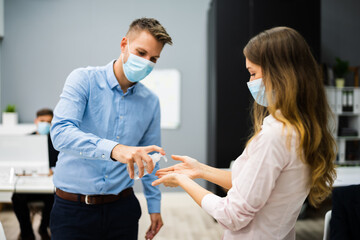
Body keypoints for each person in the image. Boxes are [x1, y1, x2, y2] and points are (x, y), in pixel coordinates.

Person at [153, 26, 336, 239]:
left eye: (253, 73)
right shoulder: (300, 129)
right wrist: (199, 169)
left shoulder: (275, 136)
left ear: (280, 72)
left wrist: (183, 181)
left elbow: (232, 215)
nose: (250, 82)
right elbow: (251, 186)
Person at [50, 18, 172, 240]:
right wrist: (115, 149)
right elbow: (60, 132)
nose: (146, 62)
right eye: (141, 52)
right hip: (73, 210)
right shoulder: (83, 80)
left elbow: (149, 157)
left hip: (122, 210)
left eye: (153, 58)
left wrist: (154, 205)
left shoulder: (151, 102)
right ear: (124, 44)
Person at [12, 108, 59, 240]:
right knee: (17, 198)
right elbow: (18, 162)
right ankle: (27, 233)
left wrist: (52, 170)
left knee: (55, 197)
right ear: (36, 121)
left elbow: (61, 163)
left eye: (49, 122)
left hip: (48, 185)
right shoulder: (26, 141)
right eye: (43, 121)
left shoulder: (56, 142)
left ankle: (43, 227)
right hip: (29, 184)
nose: (46, 124)